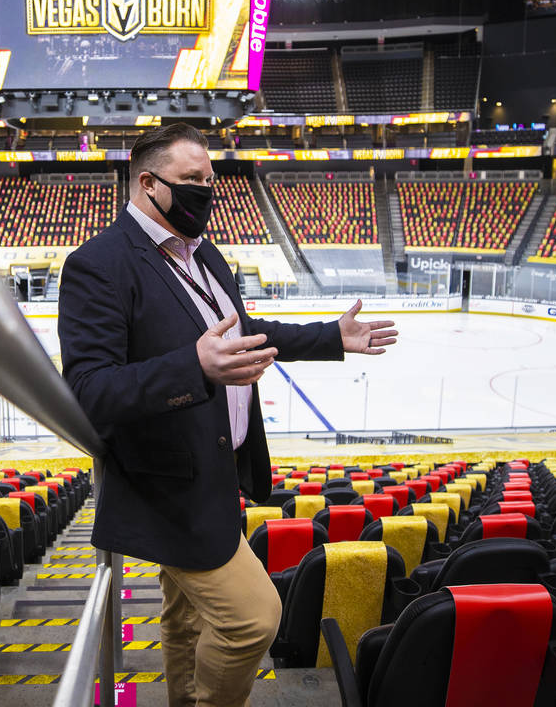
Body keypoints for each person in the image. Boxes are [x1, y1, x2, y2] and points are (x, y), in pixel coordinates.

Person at [57, 122, 397, 707]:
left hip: (218, 472)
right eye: (192, 179)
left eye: (210, 179)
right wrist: (194, 366)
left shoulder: (204, 253)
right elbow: (90, 391)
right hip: (168, 491)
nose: (207, 191)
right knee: (251, 619)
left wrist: (330, 337)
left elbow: (243, 332)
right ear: (148, 183)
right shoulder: (99, 264)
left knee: (186, 618)